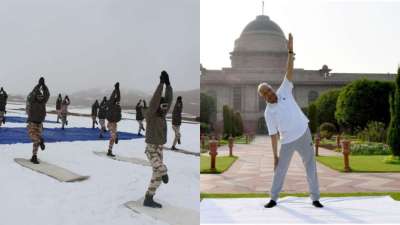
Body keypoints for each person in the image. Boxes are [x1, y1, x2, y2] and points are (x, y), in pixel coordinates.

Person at [258, 33, 323, 208]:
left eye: (270, 89)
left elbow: (289, 71)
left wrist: (290, 52)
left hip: (303, 133)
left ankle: (315, 198)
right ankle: (273, 198)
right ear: (263, 96)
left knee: (310, 166)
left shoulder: (284, 90)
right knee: (280, 169)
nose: (271, 93)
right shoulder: (268, 113)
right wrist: (275, 156)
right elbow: (273, 135)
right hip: (287, 140)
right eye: (267, 92)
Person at [143, 70, 173, 208]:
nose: (164, 109)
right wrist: (161, 84)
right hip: (151, 149)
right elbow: (155, 100)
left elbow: (169, 99)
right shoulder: (151, 115)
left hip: (160, 148)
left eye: (165, 107)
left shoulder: (162, 115)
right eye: (162, 107)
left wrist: (168, 85)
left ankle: (149, 198)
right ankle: (164, 172)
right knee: (161, 170)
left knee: (157, 176)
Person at [26, 77, 50, 164]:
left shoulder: (38, 102)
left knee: (35, 141)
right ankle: (39, 144)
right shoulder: (37, 101)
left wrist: (42, 86)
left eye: (41, 96)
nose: (40, 97)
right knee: (36, 140)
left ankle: (34, 156)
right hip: (35, 124)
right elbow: (35, 94)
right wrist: (40, 85)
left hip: (36, 124)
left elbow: (46, 94)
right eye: (39, 96)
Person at [105, 83, 121, 157]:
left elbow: (118, 98)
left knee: (113, 138)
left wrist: (118, 90)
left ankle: (110, 150)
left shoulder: (117, 106)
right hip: (111, 123)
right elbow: (112, 97)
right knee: (113, 137)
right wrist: (115, 89)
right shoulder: (111, 104)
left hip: (114, 123)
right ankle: (109, 151)